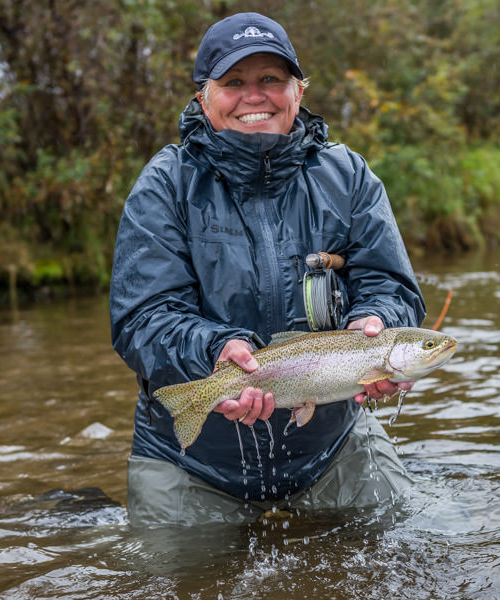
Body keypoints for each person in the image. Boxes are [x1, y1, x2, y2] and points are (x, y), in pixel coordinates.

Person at [110, 12, 425, 528]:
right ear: (202, 99)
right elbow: (142, 319)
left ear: (298, 91)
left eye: (271, 81)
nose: (254, 96)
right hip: (190, 461)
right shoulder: (164, 185)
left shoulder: (348, 176)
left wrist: (374, 322)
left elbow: (390, 285)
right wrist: (216, 350)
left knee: (417, 542)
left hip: (330, 449)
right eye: (234, 82)